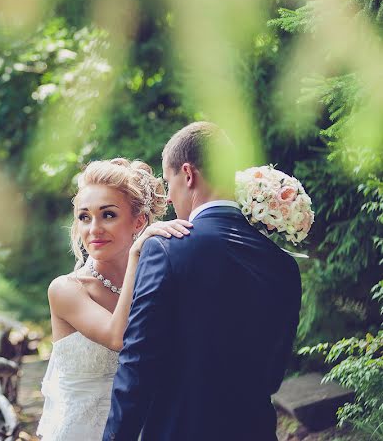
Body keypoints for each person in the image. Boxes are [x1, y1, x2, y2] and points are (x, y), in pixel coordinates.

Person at [103, 122, 302, 441]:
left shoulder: (165, 249)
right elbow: (273, 374)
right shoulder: (283, 264)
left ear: (188, 174)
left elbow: (137, 364)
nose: (167, 197)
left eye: (168, 182)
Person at [37, 158, 192, 441]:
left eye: (107, 215)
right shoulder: (66, 290)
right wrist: (136, 255)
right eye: (84, 217)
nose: (94, 228)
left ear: (139, 221)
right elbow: (118, 338)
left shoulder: (158, 281)